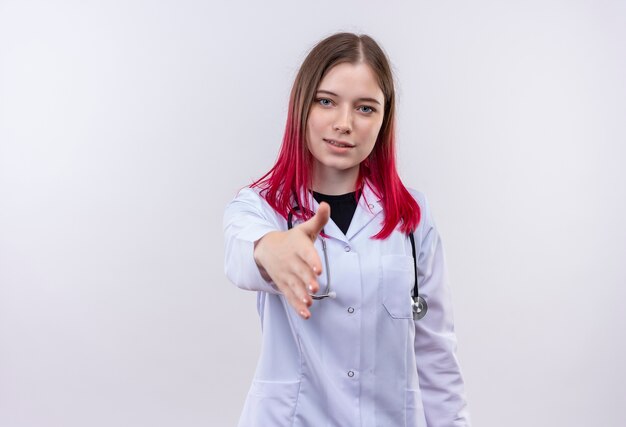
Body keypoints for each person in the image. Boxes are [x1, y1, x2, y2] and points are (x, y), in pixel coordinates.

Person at [223, 32, 471, 427]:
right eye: (326, 101)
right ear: (301, 107)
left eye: (365, 108)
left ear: (384, 119)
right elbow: (242, 253)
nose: (344, 123)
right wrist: (271, 249)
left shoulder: (412, 216)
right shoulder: (261, 207)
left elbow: (437, 355)